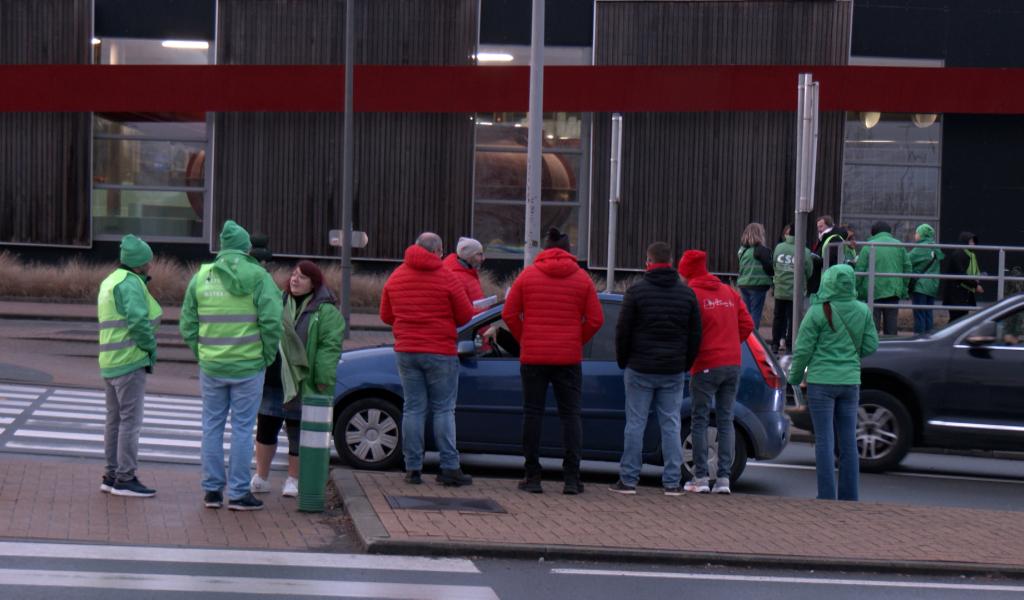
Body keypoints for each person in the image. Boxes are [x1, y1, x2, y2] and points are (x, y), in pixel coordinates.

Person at [180, 220, 283, 511]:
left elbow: (187, 322)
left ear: (223, 247)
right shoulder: (259, 276)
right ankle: (238, 493)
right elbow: (272, 321)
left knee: (211, 427)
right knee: (242, 428)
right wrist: (266, 355)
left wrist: (201, 352)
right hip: (248, 365)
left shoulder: (201, 277)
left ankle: (212, 491)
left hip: (212, 365)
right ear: (246, 248)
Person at [502, 227, 604, 495]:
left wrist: (527, 339)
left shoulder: (528, 276)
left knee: (532, 414)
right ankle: (571, 478)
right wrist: (574, 340)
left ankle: (532, 475)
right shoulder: (582, 279)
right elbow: (595, 320)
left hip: (534, 357)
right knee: (570, 416)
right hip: (568, 358)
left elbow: (509, 313)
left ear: (545, 249)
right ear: (568, 251)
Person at [380, 232, 475, 486]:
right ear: (438, 251)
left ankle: (413, 468)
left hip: (407, 350)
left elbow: (385, 315)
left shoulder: (397, 276)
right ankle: (449, 467)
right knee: (443, 409)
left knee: (413, 408)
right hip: (440, 351)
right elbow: (466, 315)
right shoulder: (447, 277)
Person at [609, 242, 702, 496]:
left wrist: (623, 360)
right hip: (672, 369)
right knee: (670, 424)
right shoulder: (686, 295)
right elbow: (696, 335)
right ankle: (672, 482)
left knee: (635, 424)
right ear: (671, 263)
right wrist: (686, 362)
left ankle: (628, 480)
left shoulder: (636, 293)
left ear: (648, 263)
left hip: (639, 367)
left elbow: (622, 332)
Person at [252, 261, 344, 498]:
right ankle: (261, 476)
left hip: (303, 381)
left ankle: (293, 479)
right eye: (293, 275)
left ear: (313, 283)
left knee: (297, 431)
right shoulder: (278, 301)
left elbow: (329, 347)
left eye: (302, 277)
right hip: (273, 378)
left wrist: (322, 378)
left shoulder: (325, 311)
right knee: (266, 427)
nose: (295, 280)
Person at [787, 265, 878, 501]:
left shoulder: (817, 311)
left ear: (827, 282)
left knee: (825, 441)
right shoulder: (862, 310)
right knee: (848, 442)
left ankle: (826, 495)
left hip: (821, 383)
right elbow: (871, 346)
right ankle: (850, 496)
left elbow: (803, 350)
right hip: (850, 382)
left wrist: (794, 379)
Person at [678, 250, 754, 495]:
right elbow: (747, 325)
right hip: (732, 364)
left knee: (699, 419)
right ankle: (723, 479)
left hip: (705, 364)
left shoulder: (691, 295)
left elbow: (686, 331)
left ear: (687, 271)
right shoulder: (728, 292)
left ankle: (700, 477)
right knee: (725, 420)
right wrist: (730, 343)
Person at [97, 234, 162, 498]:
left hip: (110, 361)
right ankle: (125, 478)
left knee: (114, 421)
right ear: (140, 263)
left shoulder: (110, 281)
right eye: (148, 260)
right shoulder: (131, 283)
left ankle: (111, 475)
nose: (150, 264)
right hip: (129, 360)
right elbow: (137, 322)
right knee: (129, 423)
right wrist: (150, 348)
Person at [855, 221, 912, 336]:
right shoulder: (899, 245)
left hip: (872, 290)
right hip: (893, 289)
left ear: (874, 232)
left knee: (872, 324)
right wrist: (904, 289)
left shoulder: (869, 245)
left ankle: (873, 348)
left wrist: (857, 290)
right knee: (891, 323)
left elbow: (860, 270)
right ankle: (891, 346)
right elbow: (907, 268)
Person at [771, 224, 813, 354]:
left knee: (778, 317)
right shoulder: (804, 251)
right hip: (796, 291)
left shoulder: (779, 247)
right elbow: (809, 271)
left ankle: (775, 344)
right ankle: (790, 346)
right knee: (793, 319)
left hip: (780, 290)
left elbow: (774, 264)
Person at [736, 223, 774, 330]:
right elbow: (770, 268)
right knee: (755, 314)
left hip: (744, 284)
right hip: (758, 286)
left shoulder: (742, 251)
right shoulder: (762, 250)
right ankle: (754, 339)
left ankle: (747, 341)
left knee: (747, 315)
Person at [908, 224, 944, 334]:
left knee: (919, 313)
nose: (915, 235)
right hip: (933, 285)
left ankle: (919, 338)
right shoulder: (935, 247)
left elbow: (907, 260)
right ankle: (929, 337)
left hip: (920, 286)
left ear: (922, 234)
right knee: (928, 312)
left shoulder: (920, 248)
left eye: (917, 233)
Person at [942, 231, 983, 323]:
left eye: (973, 242)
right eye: (971, 241)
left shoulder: (970, 255)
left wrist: (975, 284)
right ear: (965, 242)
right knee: (956, 319)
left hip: (963, 294)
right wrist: (975, 285)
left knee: (961, 319)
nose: (973, 244)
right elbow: (961, 274)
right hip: (956, 294)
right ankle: (949, 335)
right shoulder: (960, 254)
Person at [443, 236, 486, 306]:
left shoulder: (469, 273)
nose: (483, 258)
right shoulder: (456, 277)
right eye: (479, 254)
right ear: (468, 256)